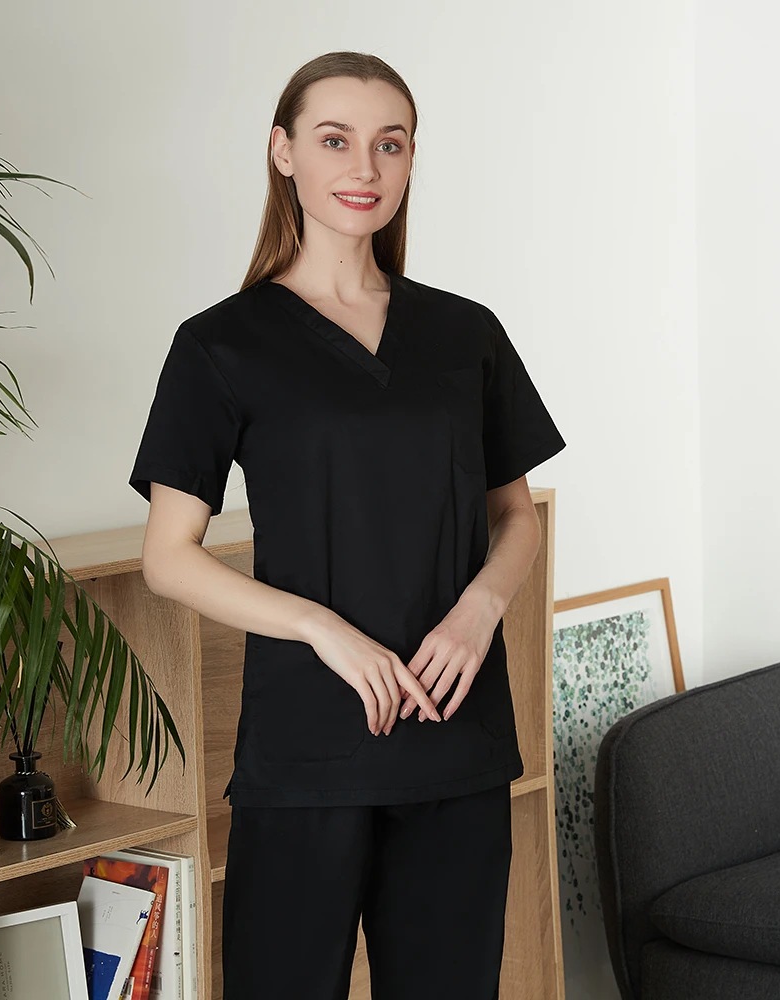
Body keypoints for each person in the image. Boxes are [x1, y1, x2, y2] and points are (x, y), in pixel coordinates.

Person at [128, 50, 567, 1000]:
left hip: (453, 740)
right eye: (335, 141)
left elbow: (515, 516)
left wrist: (478, 613)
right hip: (306, 752)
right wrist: (323, 629)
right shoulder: (220, 345)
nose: (365, 167)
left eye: (389, 144)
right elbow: (167, 557)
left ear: (410, 160)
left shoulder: (465, 334)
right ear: (283, 152)